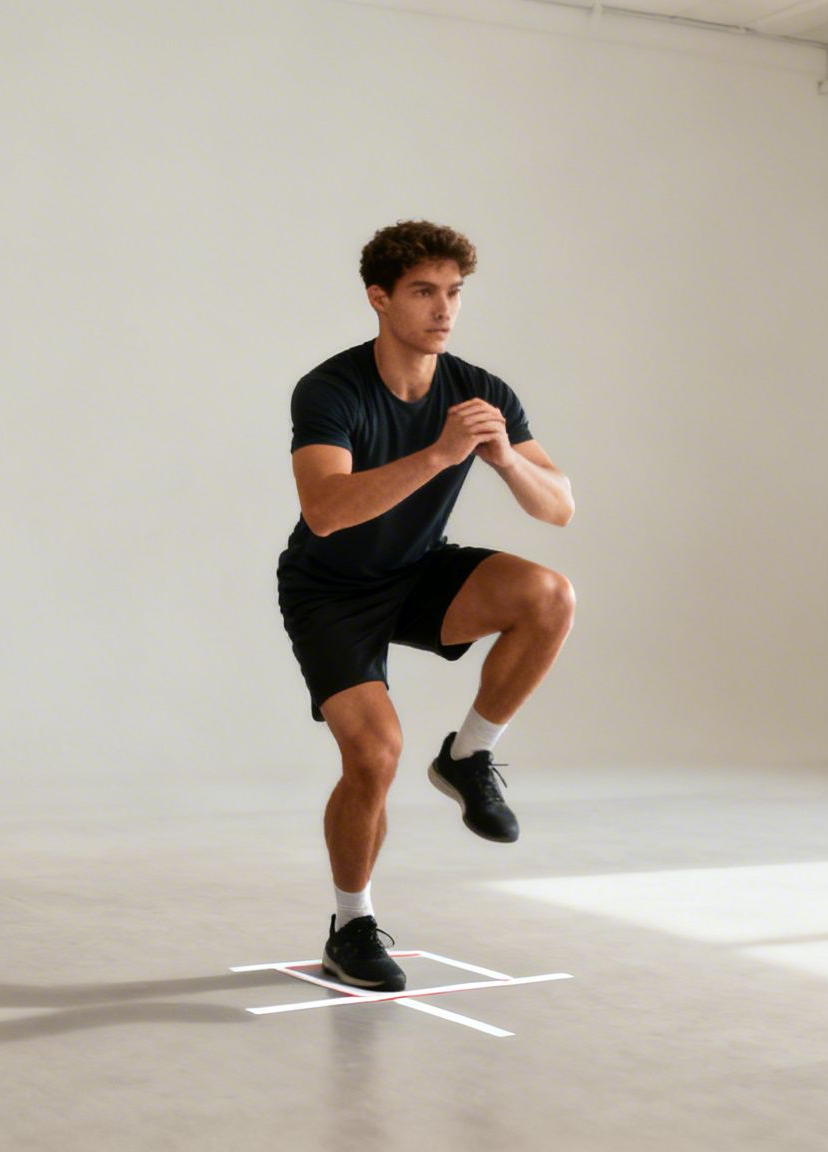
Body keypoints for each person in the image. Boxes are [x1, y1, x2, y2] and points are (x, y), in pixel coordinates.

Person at [277, 221, 577, 992]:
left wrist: (505, 459)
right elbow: (325, 511)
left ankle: (469, 755)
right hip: (331, 592)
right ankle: (352, 925)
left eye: (453, 293)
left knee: (548, 594)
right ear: (378, 299)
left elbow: (559, 508)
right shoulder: (331, 389)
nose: (444, 310)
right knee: (374, 754)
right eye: (423, 292)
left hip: (416, 574)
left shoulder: (481, 392)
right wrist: (440, 455)